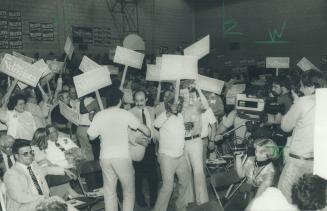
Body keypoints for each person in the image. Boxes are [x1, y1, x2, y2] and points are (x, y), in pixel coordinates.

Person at [87, 87, 151, 211]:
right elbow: (146, 131)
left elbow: (90, 137)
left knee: (109, 193)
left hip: (105, 157)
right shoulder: (124, 113)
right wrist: (148, 132)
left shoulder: (100, 115)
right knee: (128, 192)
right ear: (120, 100)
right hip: (121, 156)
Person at [278, 69, 326, 202]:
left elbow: (285, 126)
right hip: (321, 163)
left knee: (285, 199)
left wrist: (296, 102)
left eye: (302, 85)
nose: (300, 89)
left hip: (299, 161)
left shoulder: (303, 102)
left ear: (311, 87)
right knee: (313, 201)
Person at [4, 139, 77, 211]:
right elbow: (20, 197)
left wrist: (64, 170)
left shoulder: (33, 164)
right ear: (16, 156)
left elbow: (46, 170)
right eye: (25, 154)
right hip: (23, 207)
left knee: (62, 203)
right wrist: (43, 198)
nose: (30, 155)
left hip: (41, 203)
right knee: (55, 202)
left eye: (31, 152)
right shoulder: (11, 174)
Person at [153, 96, 193, 211]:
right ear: (169, 105)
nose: (178, 105)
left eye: (180, 104)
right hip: (167, 157)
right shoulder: (164, 115)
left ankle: (180, 207)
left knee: (185, 181)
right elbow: (156, 124)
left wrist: (186, 129)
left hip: (180, 156)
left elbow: (180, 134)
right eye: (175, 103)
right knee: (167, 186)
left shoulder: (180, 116)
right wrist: (169, 112)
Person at [128, 90, 158, 207]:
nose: (139, 103)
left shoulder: (152, 110)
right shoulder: (129, 113)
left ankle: (154, 200)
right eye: (136, 101)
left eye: (141, 100)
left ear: (146, 99)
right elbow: (127, 132)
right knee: (138, 176)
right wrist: (135, 140)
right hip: (137, 147)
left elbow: (154, 127)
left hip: (150, 147)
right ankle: (140, 199)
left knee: (153, 176)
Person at [181, 86, 209, 204]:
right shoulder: (179, 108)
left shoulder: (197, 106)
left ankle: (202, 200)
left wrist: (199, 88)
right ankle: (188, 199)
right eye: (183, 94)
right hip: (182, 142)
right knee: (185, 171)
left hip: (195, 141)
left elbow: (206, 106)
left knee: (198, 171)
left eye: (187, 94)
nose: (185, 96)